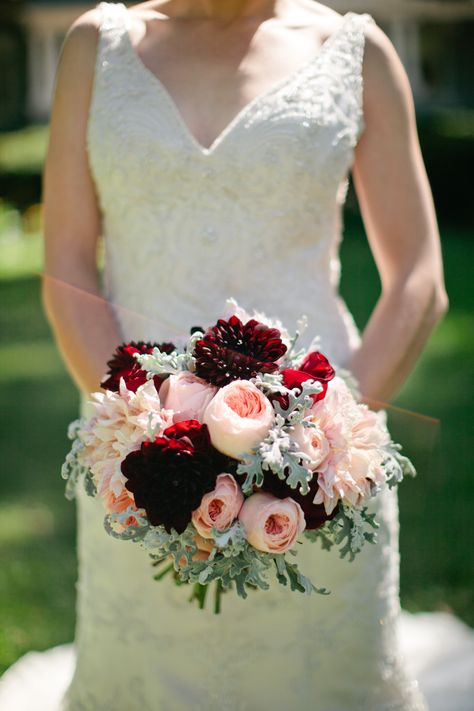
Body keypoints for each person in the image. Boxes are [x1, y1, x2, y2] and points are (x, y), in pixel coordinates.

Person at [1, 1, 473, 709]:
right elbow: (67, 264)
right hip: (137, 459)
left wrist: (324, 452)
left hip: (323, 450)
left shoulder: (359, 50)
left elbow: (419, 277)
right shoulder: (95, 48)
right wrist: (139, 439)